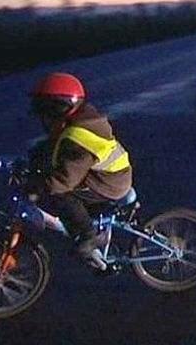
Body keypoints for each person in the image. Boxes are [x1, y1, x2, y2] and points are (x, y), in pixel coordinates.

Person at [26, 72, 133, 260]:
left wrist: (36, 184)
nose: (41, 119)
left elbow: (64, 180)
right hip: (105, 175)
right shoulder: (75, 122)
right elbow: (55, 146)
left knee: (60, 193)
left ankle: (90, 236)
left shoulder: (79, 138)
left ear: (57, 108)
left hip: (111, 182)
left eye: (44, 112)